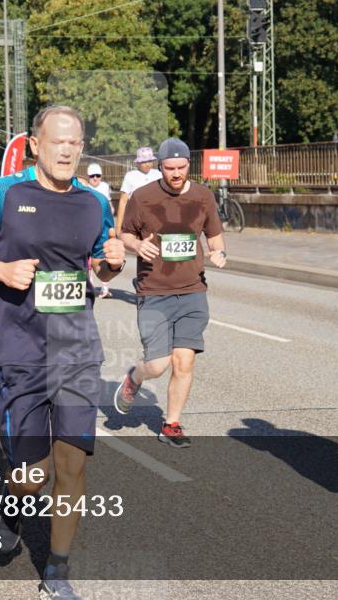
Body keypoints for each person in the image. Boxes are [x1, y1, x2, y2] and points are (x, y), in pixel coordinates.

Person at [0, 105, 125, 599]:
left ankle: (58, 569)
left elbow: (98, 265)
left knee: (72, 466)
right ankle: (11, 507)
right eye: (58, 141)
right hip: (20, 350)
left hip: (77, 351)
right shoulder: (5, 194)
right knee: (32, 476)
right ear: (35, 145)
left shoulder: (94, 202)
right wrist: (1, 271)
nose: (68, 150)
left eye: (75, 141)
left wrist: (111, 264)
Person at [114, 138, 228, 448]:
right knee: (158, 364)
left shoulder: (204, 197)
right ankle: (135, 377)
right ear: (160, 167)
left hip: (192, 290)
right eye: (169, 168)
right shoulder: (143, 197)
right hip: (154, 291)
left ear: (189, 165)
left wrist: (219, 253)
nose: (175, 174)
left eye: (181, 168)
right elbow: (123, 232)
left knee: (184, 362)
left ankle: (172, 424)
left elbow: (215, 236)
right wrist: (137, 245)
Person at [84, 162, 115, 298]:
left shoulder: (105, 187)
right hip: (88, 225)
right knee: (88, 260)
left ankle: (105, 289)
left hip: (103, 225)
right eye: (92, 176)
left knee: (103, 257)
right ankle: (89, 286)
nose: (95, 178)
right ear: (88, 177)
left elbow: (108, 203)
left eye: (98, 175)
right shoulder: (85, 188)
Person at [115, 146, 162, 233]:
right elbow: (123, 201)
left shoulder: (159, 175)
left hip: (156, 219)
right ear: (137, 163)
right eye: (144, 161)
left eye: (149, 161)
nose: (147, 164)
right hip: (135, 219)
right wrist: (118, 227)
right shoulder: (130, 176)